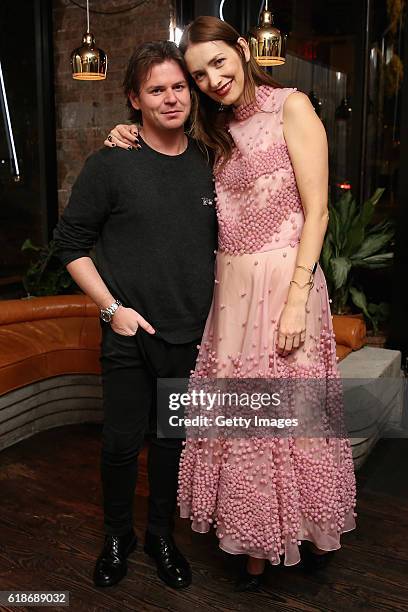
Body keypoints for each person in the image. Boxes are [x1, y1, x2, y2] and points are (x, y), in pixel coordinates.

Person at [104, 16, 357, 592]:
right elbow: (160, 145)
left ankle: (297, 534)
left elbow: (318, 211)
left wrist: (296, 300)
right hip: (230, 292)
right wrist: (123, 133)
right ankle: (255, 541)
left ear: (243, 50)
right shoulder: (209, 128)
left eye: (220, 61)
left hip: (285, 283)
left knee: (291, 419)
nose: (213, 78)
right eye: (199, 73)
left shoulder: (291, 107)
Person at [53, 40, 217, 590]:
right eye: (156, 90)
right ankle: (117, 536)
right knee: (122, 443)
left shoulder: (210, 162)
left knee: (172, 442)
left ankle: (160, 537)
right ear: (134, 99)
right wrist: (111, 309)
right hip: (128, 331)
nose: (171, 99)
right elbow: (70, 243)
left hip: (190, 334)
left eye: (179, 87)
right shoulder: (111, 164)